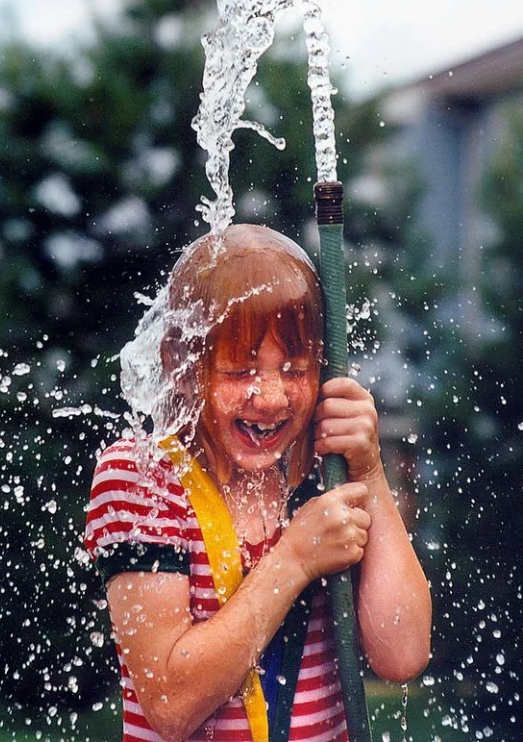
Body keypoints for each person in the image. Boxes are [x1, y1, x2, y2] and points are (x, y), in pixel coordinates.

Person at [85, 224, 431, 742]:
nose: (270, 398)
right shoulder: (142, 476)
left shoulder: (322, 470)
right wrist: (295, 559)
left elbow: (403, 655)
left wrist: (369, 472)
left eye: (294, 369)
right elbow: (172, 705)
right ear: (180, 366)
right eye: (240, 372)